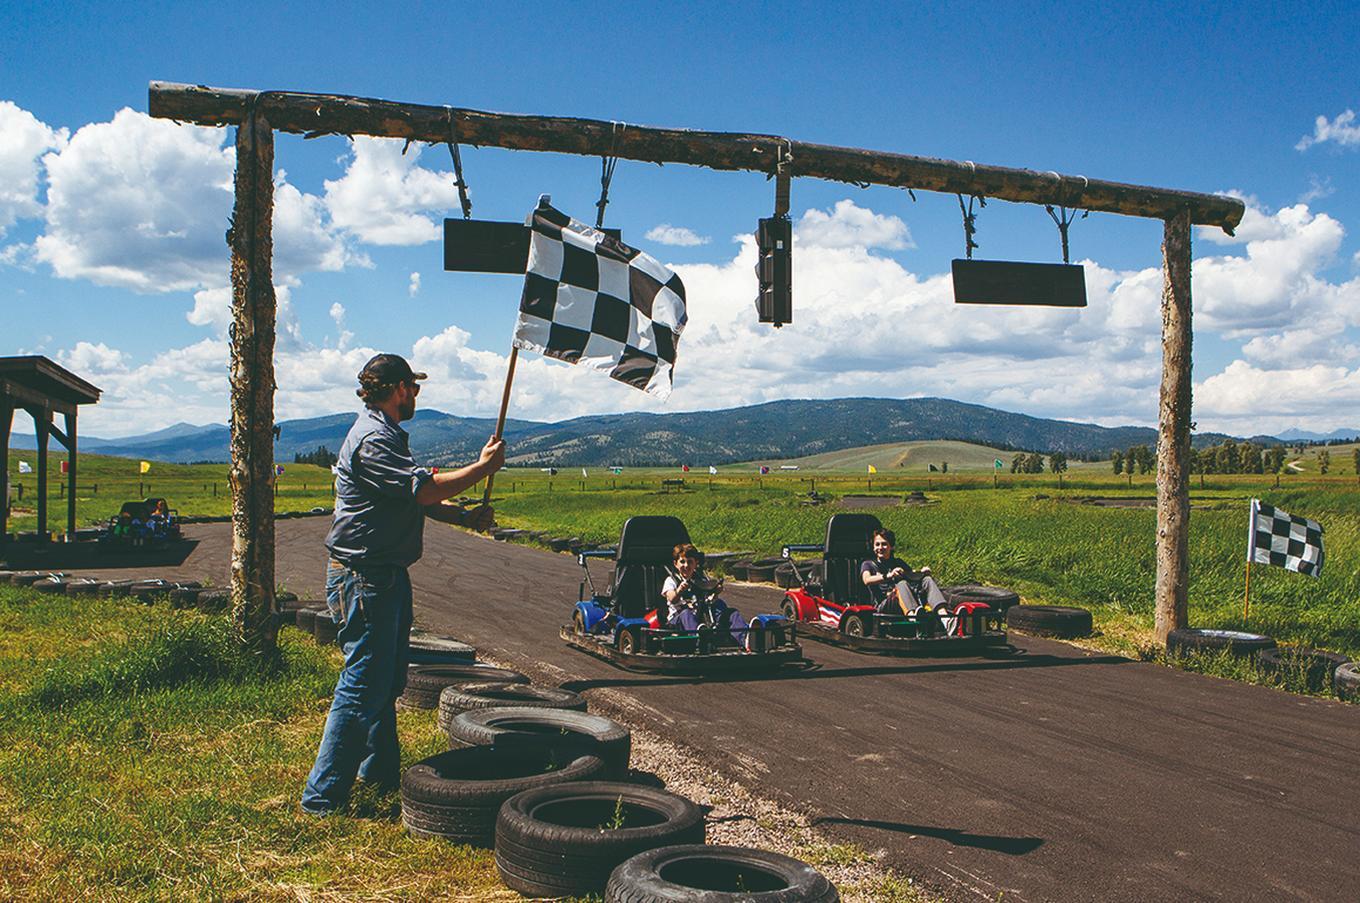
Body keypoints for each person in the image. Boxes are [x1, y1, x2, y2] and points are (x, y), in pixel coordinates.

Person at [301, 353, 505, 815]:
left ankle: (377, 774)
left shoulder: (387, 436)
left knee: (384, 681)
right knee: (362, 685)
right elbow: (423, 490)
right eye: (413, 387)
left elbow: (414, 498)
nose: (416, 395)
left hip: (382, 575)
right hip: (364, 576)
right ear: (398, 389)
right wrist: (481, 470)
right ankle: (322, 799)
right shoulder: (374, 438)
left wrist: (465, 516)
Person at [661, 543, 752, 649]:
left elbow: (709, 600)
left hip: (700, 619)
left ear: (696, 563)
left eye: (690, 562)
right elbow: (671, 598)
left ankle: (746, 639)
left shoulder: (700, 580)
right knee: (686, 614)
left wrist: (716, 592)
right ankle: (699, 642)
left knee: (727, 609)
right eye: (682, 562)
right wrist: (680, 590)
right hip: (678, 621)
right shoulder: (671, 580)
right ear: (676, 564)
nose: (686, 565)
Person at [860, 527, 949, 616]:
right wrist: (889, 575)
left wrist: (922, 573)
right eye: (877, 544)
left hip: (904, 599)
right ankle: (912, 616)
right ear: (873, 547)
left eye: (884, 544)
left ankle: (944, 617)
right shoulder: (868, 564)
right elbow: (867, 580)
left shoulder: (898, 562)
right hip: (885, 603)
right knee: (901, 584)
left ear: (891, 547)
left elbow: (911, 574)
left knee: (927, 580)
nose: (880, 547)